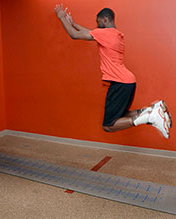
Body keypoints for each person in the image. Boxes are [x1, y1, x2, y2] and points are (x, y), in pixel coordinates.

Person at [54, 5, 172, 138]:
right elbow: (92, 33)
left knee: (109, 125)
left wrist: (61, 17)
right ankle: (151, 110)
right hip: (128, 82)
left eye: (98, 22)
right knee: (121, 115)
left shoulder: (105, 34)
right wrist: (74, 23)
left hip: (119, 83)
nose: (97, 26)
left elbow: (74, 35)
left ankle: (150, 117)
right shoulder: (115, 34)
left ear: (105, 19)